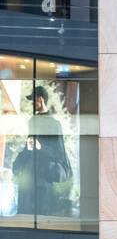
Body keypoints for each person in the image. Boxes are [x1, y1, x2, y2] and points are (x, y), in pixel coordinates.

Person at [14, 87, 71, 217]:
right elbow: (28, 147)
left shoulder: (54, 124)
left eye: (33, 101)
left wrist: (41, 147)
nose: (32, 104)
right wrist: (27, 149)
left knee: (41, 216)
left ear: (40, 99)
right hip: (29, 178)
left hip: (44, 180)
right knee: (24, 215)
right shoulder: (32, 121)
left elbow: (59, 154)